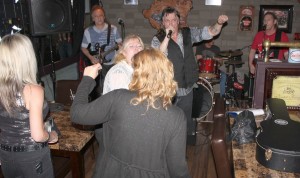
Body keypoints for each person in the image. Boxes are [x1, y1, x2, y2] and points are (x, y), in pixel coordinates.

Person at [71, 48, 191, 178]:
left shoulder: (117, 98)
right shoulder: (176, 116)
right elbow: (177, 168)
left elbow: (77, 113)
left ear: (138, 73)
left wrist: (87, 79)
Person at [151, 6, 228, 144]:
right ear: (162, 22)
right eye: (167, 20)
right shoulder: (158, 39)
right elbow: (158, 56)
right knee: (168, 122)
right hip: (168, 89)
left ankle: (182, 149)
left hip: (187, 88)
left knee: (185, 122)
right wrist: (168, 36)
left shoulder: (188, 33)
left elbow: (210, 32)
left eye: (174, 20)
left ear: (179, 21)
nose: (171, 23)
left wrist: (219, 23)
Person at [0, 34, 58, 177]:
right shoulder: (33, 90)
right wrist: (51, 136)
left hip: (6, 154)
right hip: (32, 156)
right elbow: (38, 135)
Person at [81, 5, 122, 97]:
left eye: (101, 15)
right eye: (96, 16)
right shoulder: (88, 31)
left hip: (113, 63)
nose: (99, 18)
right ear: (93, 19)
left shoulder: (113, 29)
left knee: (113, 86)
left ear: (104, 17)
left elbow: (120, 43)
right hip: (97, 64)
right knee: (99, 88)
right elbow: (83, 48)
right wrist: (91, 58)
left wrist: (119, 47)